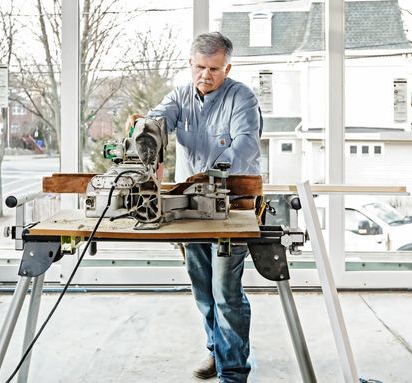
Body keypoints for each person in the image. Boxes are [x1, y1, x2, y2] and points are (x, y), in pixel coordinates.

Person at [126, 32, 261, 383]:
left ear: (227, 67)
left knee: (226, 292)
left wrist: (210, 174)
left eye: (214, 69)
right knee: (202, 289)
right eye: (200, 67)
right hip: (189, 206)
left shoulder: (242, 97)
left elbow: (244, 146)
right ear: (190, 63)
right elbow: (158, 120)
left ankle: (233, 373)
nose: (205, 75)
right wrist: (144, 131)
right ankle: (218, 352)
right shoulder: (179, 96)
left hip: (233, 205)